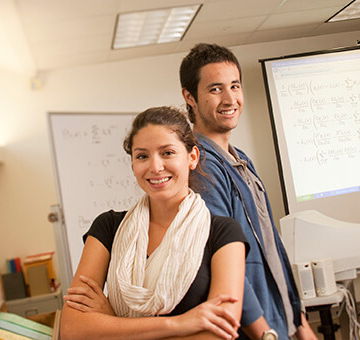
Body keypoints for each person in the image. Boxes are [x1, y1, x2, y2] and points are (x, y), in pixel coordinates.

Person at [60, 106, 248, 340]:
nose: (155, 167)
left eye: (167, 153)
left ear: (192, 157)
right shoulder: (108, 228)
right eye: (142, 156)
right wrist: (178, 324)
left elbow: (219, 334)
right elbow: (72, 329)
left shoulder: (223, 233)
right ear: (132, 165)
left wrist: (112, 324)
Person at [180, 44, 317, 340]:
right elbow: (224, 262)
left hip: (280, 320)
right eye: (216, 89)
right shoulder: (202, 166)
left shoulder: (239, 159)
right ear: (190, 97)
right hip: (257, 330)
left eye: (235, 86)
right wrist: (264, 333)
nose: (230, 99)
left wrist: (299, 322)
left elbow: (269, 248)